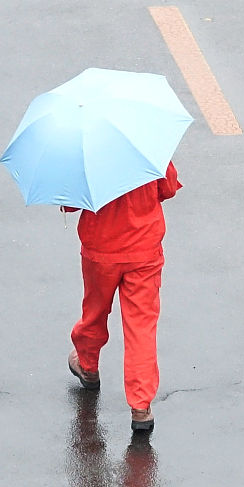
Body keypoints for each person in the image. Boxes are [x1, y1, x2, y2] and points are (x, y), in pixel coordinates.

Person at [65, 163, 180, 431]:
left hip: (100, 249)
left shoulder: (86, 153)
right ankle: (141, 406)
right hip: (144, 249)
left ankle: (88, 363)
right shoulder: (147, 143)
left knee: (94, 311)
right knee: (141, 327)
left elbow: (70, 202)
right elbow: (169, 187)